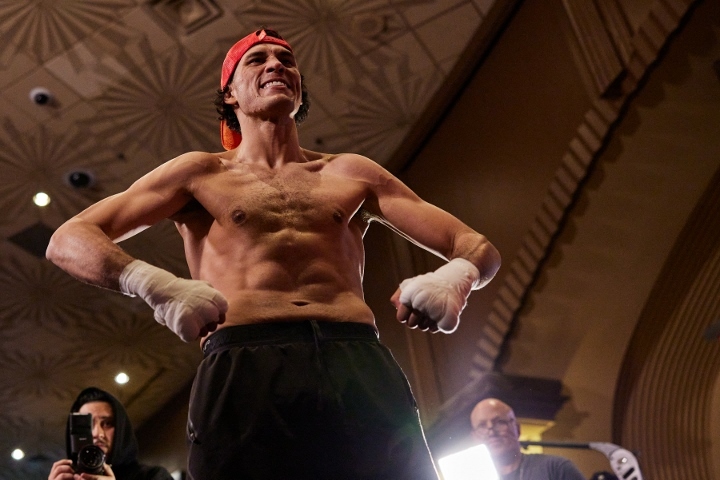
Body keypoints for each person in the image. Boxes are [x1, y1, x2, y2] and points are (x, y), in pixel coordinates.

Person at [46, 28, 501, 480]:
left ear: (299, 90)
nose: (276, 65)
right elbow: (69, 238)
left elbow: (477, 246)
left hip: (355, 359)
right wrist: (153, 285)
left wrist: (454, 278)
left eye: (286, 60)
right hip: (245, 362)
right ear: (229, 94)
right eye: (257, 59)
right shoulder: (199, 172)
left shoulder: (350, 172)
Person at [48, 387, 173, 480]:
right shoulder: (65, 477)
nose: (97, 433)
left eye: (107, 423)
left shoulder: (152, 476)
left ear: (121, 428)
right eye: (87, 426)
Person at [470, 398, 586, 480]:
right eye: (482, 426)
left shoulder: (555, 468)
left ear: (517, 429)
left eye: (499, 422)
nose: (491, 432)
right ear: (474, 437)